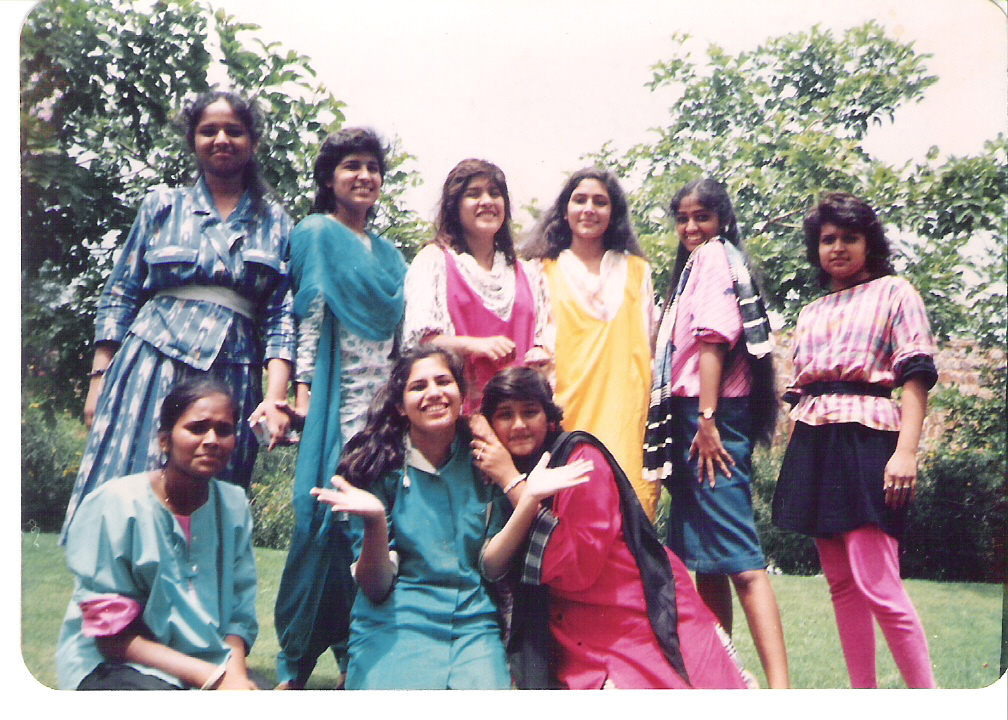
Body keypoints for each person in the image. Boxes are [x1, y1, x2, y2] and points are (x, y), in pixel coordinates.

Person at [61, 90, 295, 542]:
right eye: (209, 130)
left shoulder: (277, 222)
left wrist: (275, 397)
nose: (221, 139)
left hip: (232, 373)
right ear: (193, 140)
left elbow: (281, 315)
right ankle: (113, 582)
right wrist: (98, 379)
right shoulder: (162, 205)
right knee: (129, 482)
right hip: (151, 364)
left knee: (210, 499)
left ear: (252, 142)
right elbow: (121, 291)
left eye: (234, 130)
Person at [309, 346, 589, 689]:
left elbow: (491, 566)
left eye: (443, 381)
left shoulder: (484, 457)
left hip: (473, 624)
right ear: (401, 405)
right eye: (418, 386)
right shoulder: (376, 465)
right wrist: (375, 522)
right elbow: (376, 588)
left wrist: (528, 499)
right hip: (396, 622)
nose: (434, 393)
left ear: (460, 394)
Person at [470, 366, 751, 689]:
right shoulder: (497, 468)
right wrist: (498, 458)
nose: (519, 425)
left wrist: (512, 482)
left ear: (549, 418)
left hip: (634, 611)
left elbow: (577, 567)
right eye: (505, 415)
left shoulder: (581, 459)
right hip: (576, 626)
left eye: (530, 412)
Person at [771, 192, 938, 689]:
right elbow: (800, 389)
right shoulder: (811, 311)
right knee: (842, 584)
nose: (838, 247)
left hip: (868, 439)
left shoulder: (895, 293)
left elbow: (915, 378)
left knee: (878, 583)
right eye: (828, 239)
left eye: (849, 237)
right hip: (814, 441)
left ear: (870, 243)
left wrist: (906, 452)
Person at [272, 128, 408, 689]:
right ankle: (294, 661)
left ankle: (358, 654)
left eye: (373, 167)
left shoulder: (392, 255)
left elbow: (400, 344)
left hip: (383, 414)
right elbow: (309, 314)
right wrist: (302, 396)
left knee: (373, 533)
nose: (364, 176)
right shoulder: (315, 232)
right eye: (352, 165)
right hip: (337, 403)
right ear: (329, 178)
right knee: (319, 528)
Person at [643, 178, 789, 688]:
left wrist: (707, 420)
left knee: (740, 558)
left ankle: (781, 692)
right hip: (691, 414)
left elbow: (713, 341)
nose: (690, 227)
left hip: (711, 415)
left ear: (723, 219)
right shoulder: (697, 264)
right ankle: (719, 679)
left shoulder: (712, 258)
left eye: (701, 216)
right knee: (705, 558)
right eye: (682, 218)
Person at [56, 378, 262, 690]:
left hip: (206, 661)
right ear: (164, 440)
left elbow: (238, 614)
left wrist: (235, 679)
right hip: (114, 664)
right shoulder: (117, 504)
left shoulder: (233, 506)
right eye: (197, 428)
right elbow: (112, 638)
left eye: (224, 430)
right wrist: (214, 680)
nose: (212, 440)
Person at [522, 168, 659, 518]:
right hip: (567, 408)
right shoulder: (542, 270)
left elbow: (651, 344)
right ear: (564, 209)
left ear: (614, 212)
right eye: (579, 200)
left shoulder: (638, 271)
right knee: (571, 509)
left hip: (627, 411)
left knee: (629, 513)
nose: (589, 209)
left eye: (600, 202)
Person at [403, 158, 551, 414]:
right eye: (474, 194)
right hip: (463, 414)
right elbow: (421, 344)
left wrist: (539, 354)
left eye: (494, 193)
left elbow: (540, 337)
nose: (487, 201)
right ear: (454, 206)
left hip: (520, 416)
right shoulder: (434, 261)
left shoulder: (527, 272)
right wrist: (477, 345)